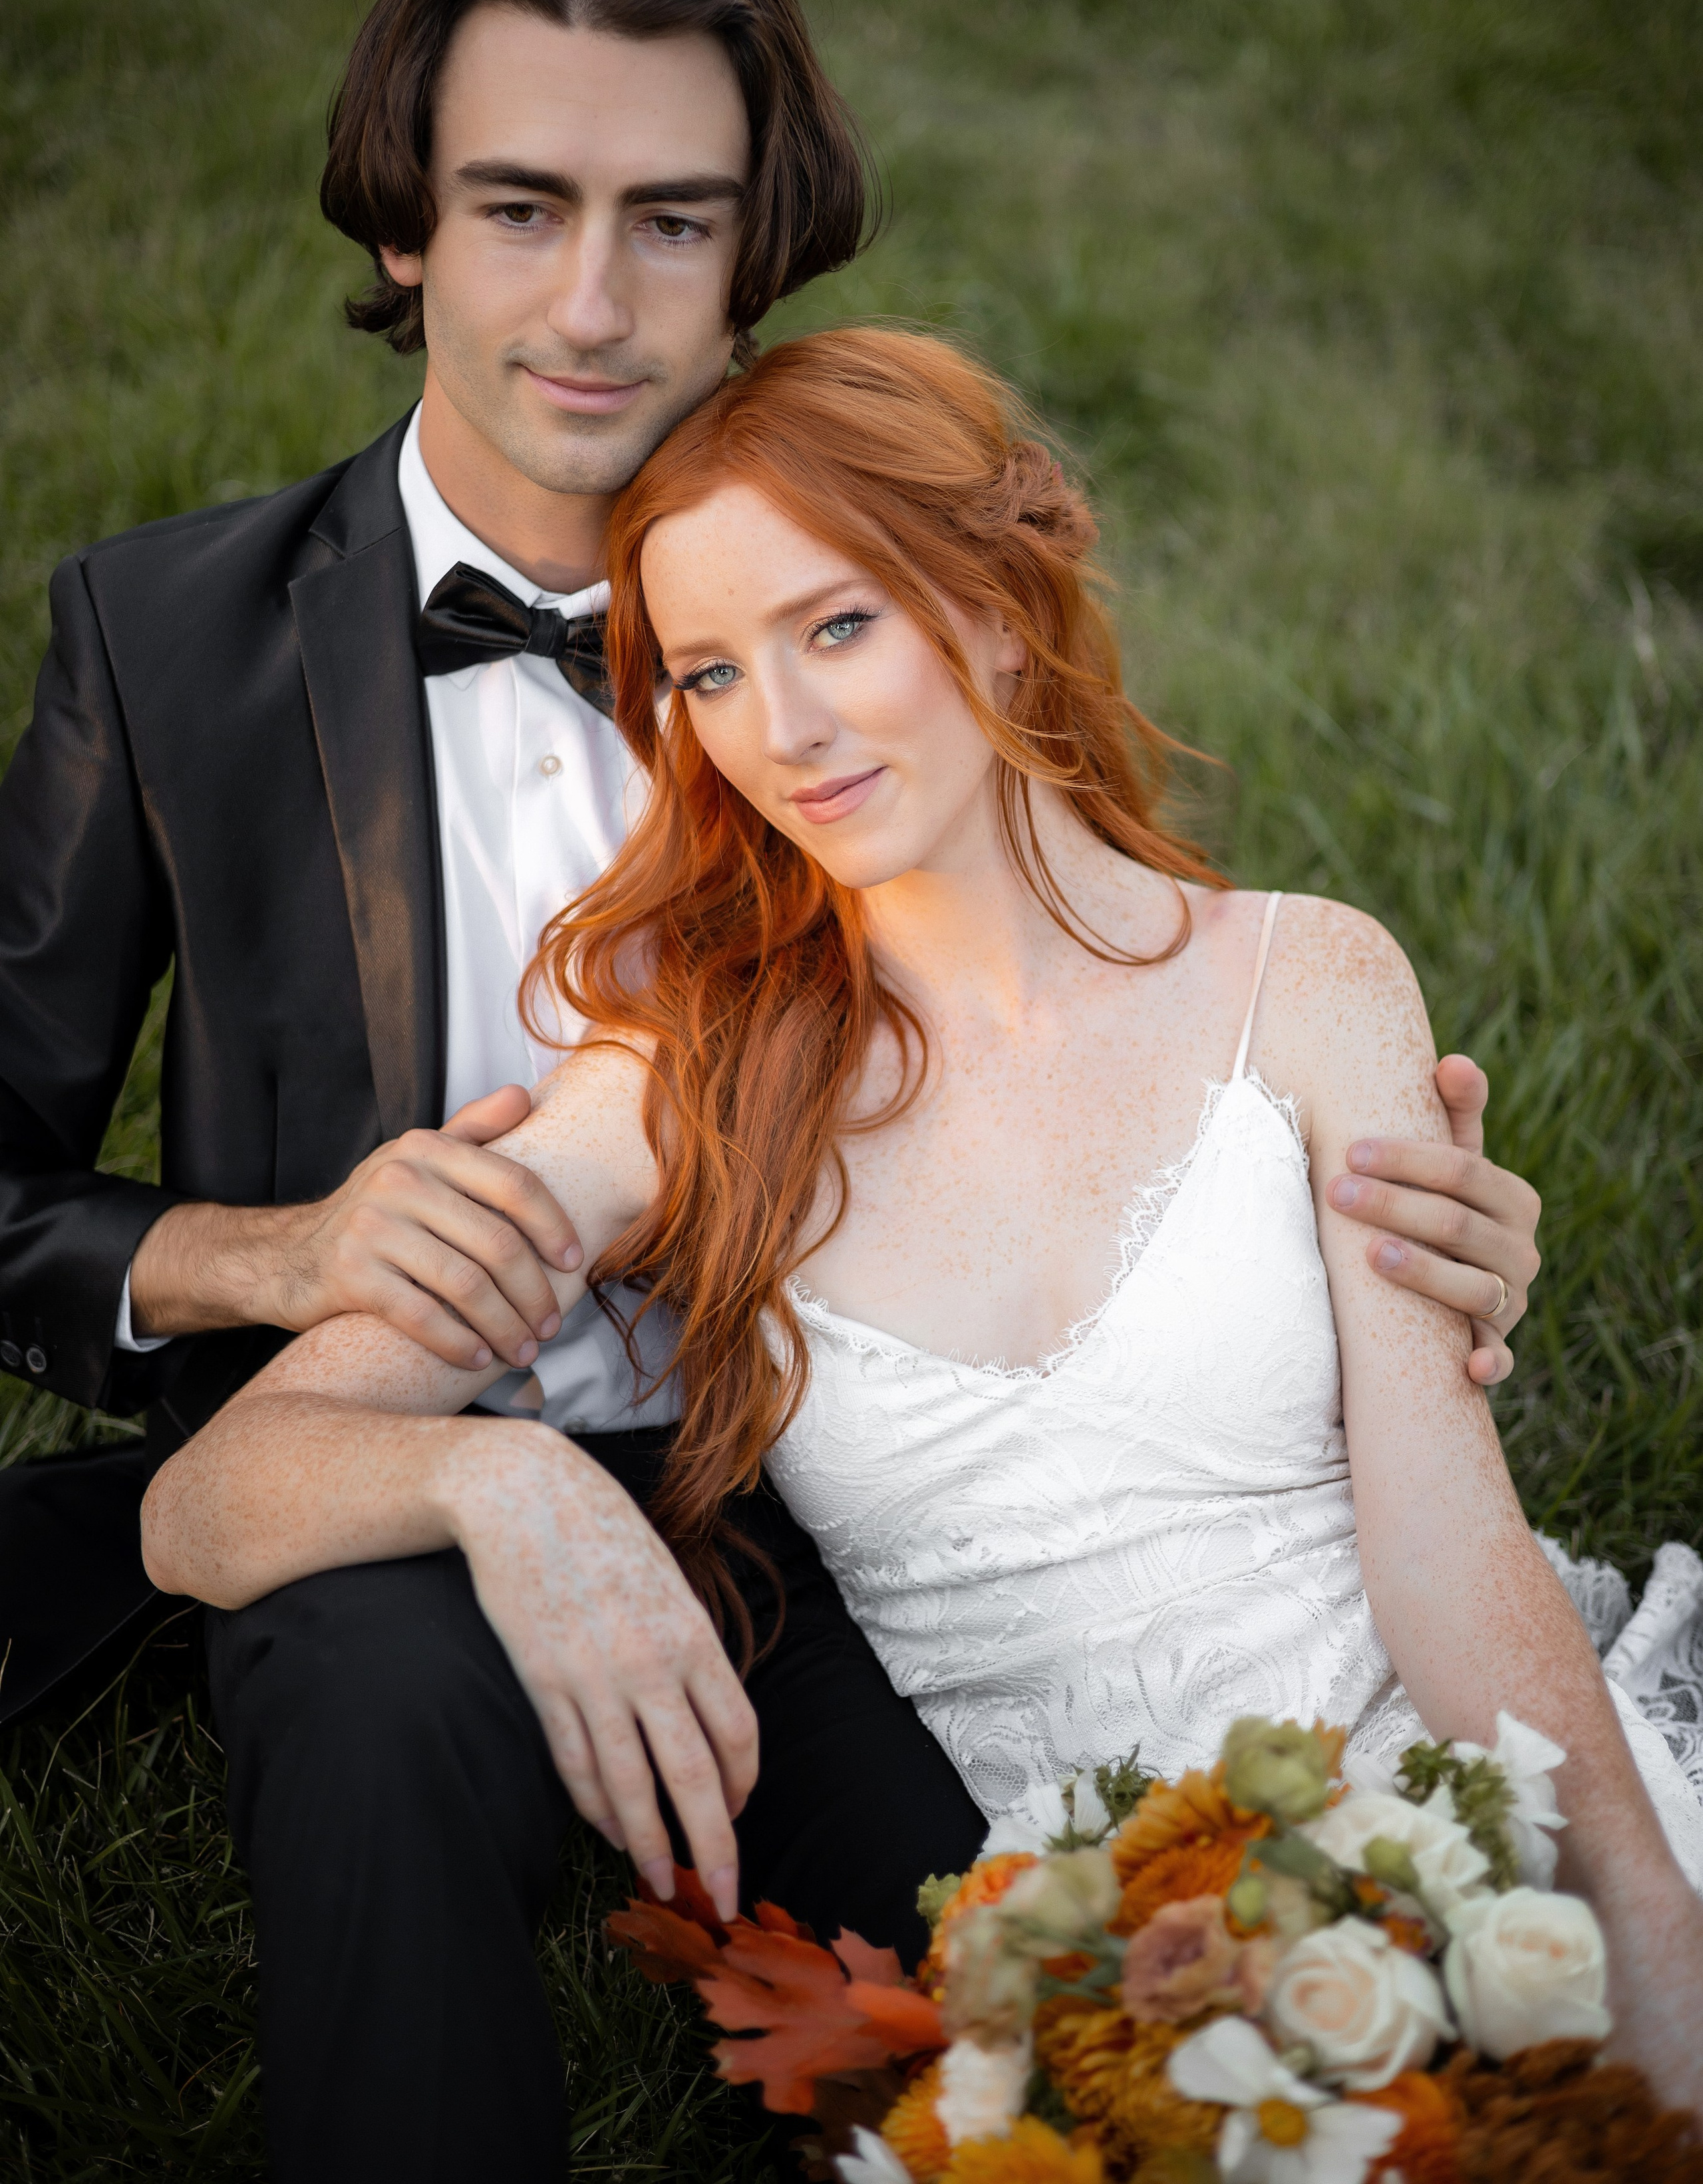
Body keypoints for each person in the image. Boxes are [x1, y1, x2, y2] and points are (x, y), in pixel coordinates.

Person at [0, 0, 1539, 2175]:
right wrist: (278, 1263)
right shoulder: (162, 642)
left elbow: (1107, 1034)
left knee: (1056, 2019)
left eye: (675, 221)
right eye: (517, 208)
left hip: (836, 1499)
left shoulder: (858, 615)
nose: (592, 302)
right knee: (367, 1709)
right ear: (404, 225)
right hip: (381, 1468)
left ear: (762, 251)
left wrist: (1393, 1265)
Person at [144, 326, 1703, 2120]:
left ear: (998, 604)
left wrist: (1645, 1936)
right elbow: (208, 1502)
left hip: (1454, 1775)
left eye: (837, 628)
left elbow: (1453, 1547)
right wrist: (509, 1485)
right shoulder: (689, 1078)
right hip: (1106, 1940)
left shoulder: (1310, 978)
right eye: (714, 674)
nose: (782, 732)